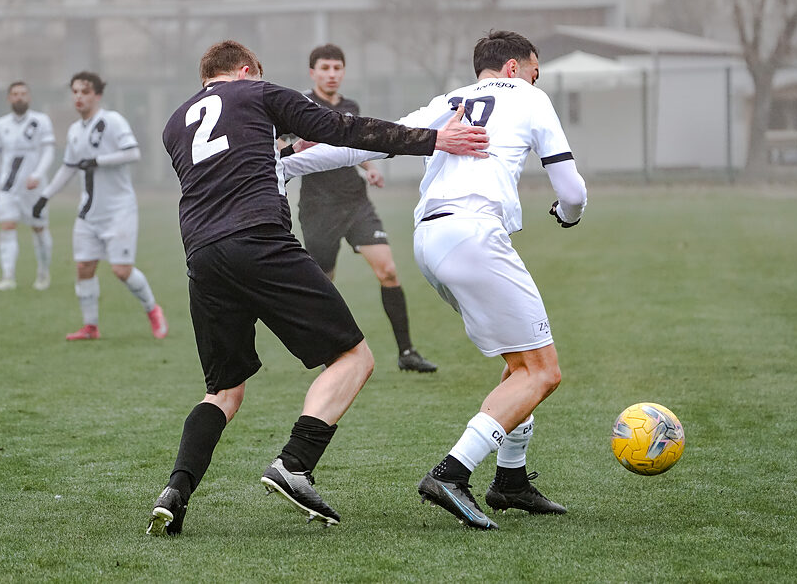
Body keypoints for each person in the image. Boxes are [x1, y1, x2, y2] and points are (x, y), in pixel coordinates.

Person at [146, 40, 489, 537]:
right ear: (246, 71)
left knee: (222, 391)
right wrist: (435, 139)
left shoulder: (174, 123)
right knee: (354, 358)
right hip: (259, 241)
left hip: (202, 256)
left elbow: (231, 164)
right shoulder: (257, 92)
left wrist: (283, 150)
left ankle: (175, 491)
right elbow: (343, 128)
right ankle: (295, 463)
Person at [282, 30, 586, 530]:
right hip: (473, 235)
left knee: (520, 361)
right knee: (542, 371)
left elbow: (364, 145)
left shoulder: (449, 101)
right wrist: (569, 215)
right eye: (536, 70)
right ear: (515, 68)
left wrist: (285, 163)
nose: (537, 79)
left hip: (429, 240)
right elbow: (571, 191)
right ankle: (452, 473)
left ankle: (510, 480)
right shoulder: (531, 98)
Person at [293, 44, 436, 373]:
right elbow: (282, 144)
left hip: (355, 202)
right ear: (312, 72)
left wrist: (369, 168)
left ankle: (407, 352)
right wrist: (294, 147)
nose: (332, 74)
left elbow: (355, 144)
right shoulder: (299, 107)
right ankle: (330, 354)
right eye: (325, 68)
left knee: (388, 270)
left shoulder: (350, 107)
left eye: (337, 68)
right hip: (318, 208)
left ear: (344, 72)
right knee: (324, 284)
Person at [33, 71, 168, 341]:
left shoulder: (112, 121)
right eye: (75, 92)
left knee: (121, 271)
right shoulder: (75, 130)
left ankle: (152, 309)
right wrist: (45, 196)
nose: (79, 97)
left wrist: (98, 161)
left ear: (97, 95)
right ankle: (91, 327)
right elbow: (69, 167)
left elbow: (133, 153)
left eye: (85, 92)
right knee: (84, 267)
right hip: (88, 211)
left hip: (119, 210)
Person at [0, 81, 55, 291]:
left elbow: (49, 151)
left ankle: (43, 273)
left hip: (34, 188)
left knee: (39, 228)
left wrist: (37, 174)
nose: (19, 97)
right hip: (8, 188)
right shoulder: (1, 124)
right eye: (15, 94)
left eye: (23, 93)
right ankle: (8, 277)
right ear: (9, 98)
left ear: (30, 97)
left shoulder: (41, 121)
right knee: (7, 227)